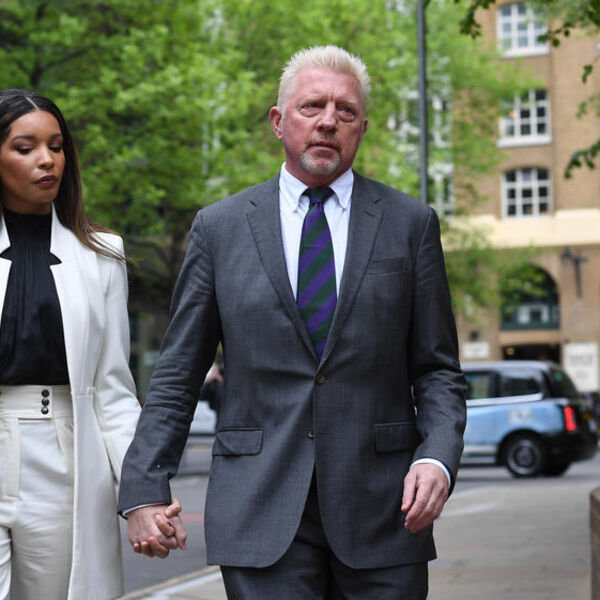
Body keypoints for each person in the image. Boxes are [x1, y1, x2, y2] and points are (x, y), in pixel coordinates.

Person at [119, 46, 466, 599]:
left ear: (362, 129)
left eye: (346, 111)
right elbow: (179, 372)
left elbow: (438, 370)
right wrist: (144, 487)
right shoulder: (219, 228)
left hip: (385, 510)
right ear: (279, 121)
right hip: (259, 509)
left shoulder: (410, 224)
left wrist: (437, 457)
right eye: (312, 106)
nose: (329, 121)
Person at [0, 88, 180, 600]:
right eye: (25, 147)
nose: (46, 160)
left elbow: (113, 391)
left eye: (56, 146)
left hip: (62, 457)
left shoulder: (102, 255)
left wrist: (142, 493)